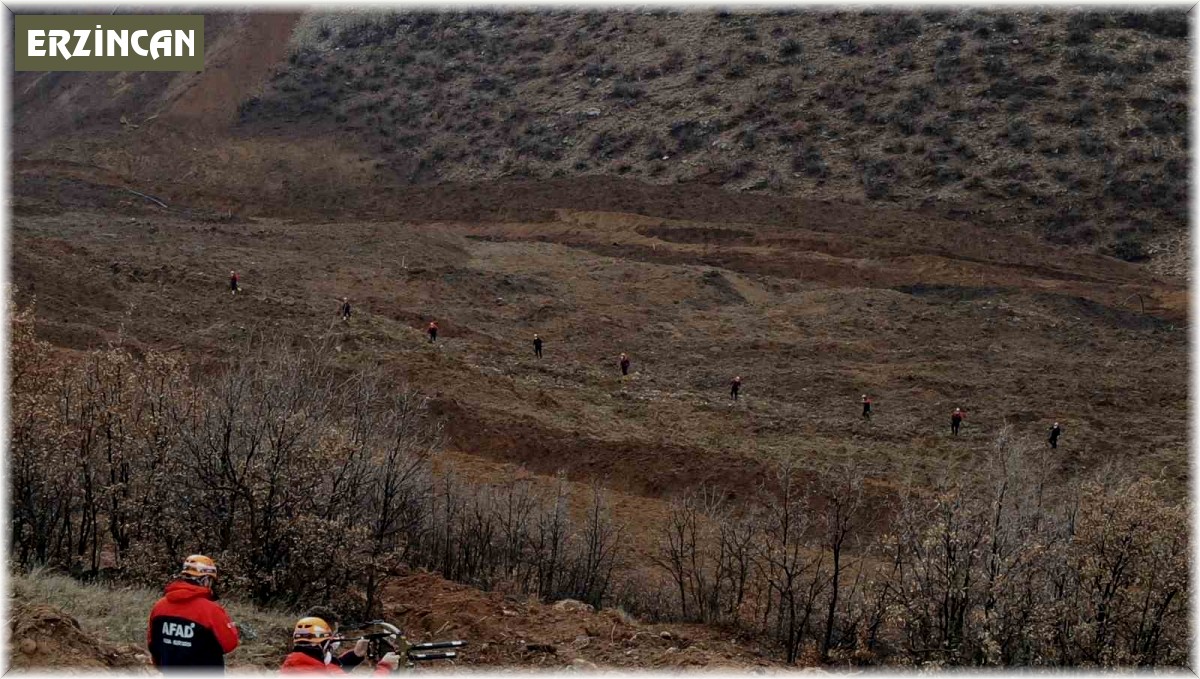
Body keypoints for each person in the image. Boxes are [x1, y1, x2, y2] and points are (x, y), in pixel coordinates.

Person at [147, 555, 239, 672]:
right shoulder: (211, 610)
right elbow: (229, 644)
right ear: (205, 579)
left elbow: (153, 643)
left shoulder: (159, 606)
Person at [281, 616, 400, 675]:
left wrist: (354, 655)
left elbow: (329, 668)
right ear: (323, 642)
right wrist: (385, 667)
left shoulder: (298, 661)